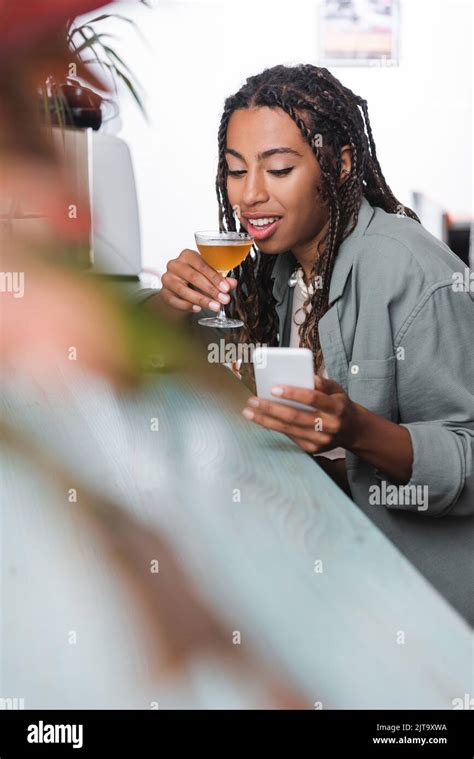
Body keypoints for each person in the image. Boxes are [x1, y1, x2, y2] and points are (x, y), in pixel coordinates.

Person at [152, 64, 474, 519]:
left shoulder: (412, 270)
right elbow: (146, 351)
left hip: (410, 575)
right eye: (236, 170)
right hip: (316, 528)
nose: (249, 195)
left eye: (279, 169)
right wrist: (171, 301)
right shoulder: (269, 268)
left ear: (339, 166)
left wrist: (358, 431)